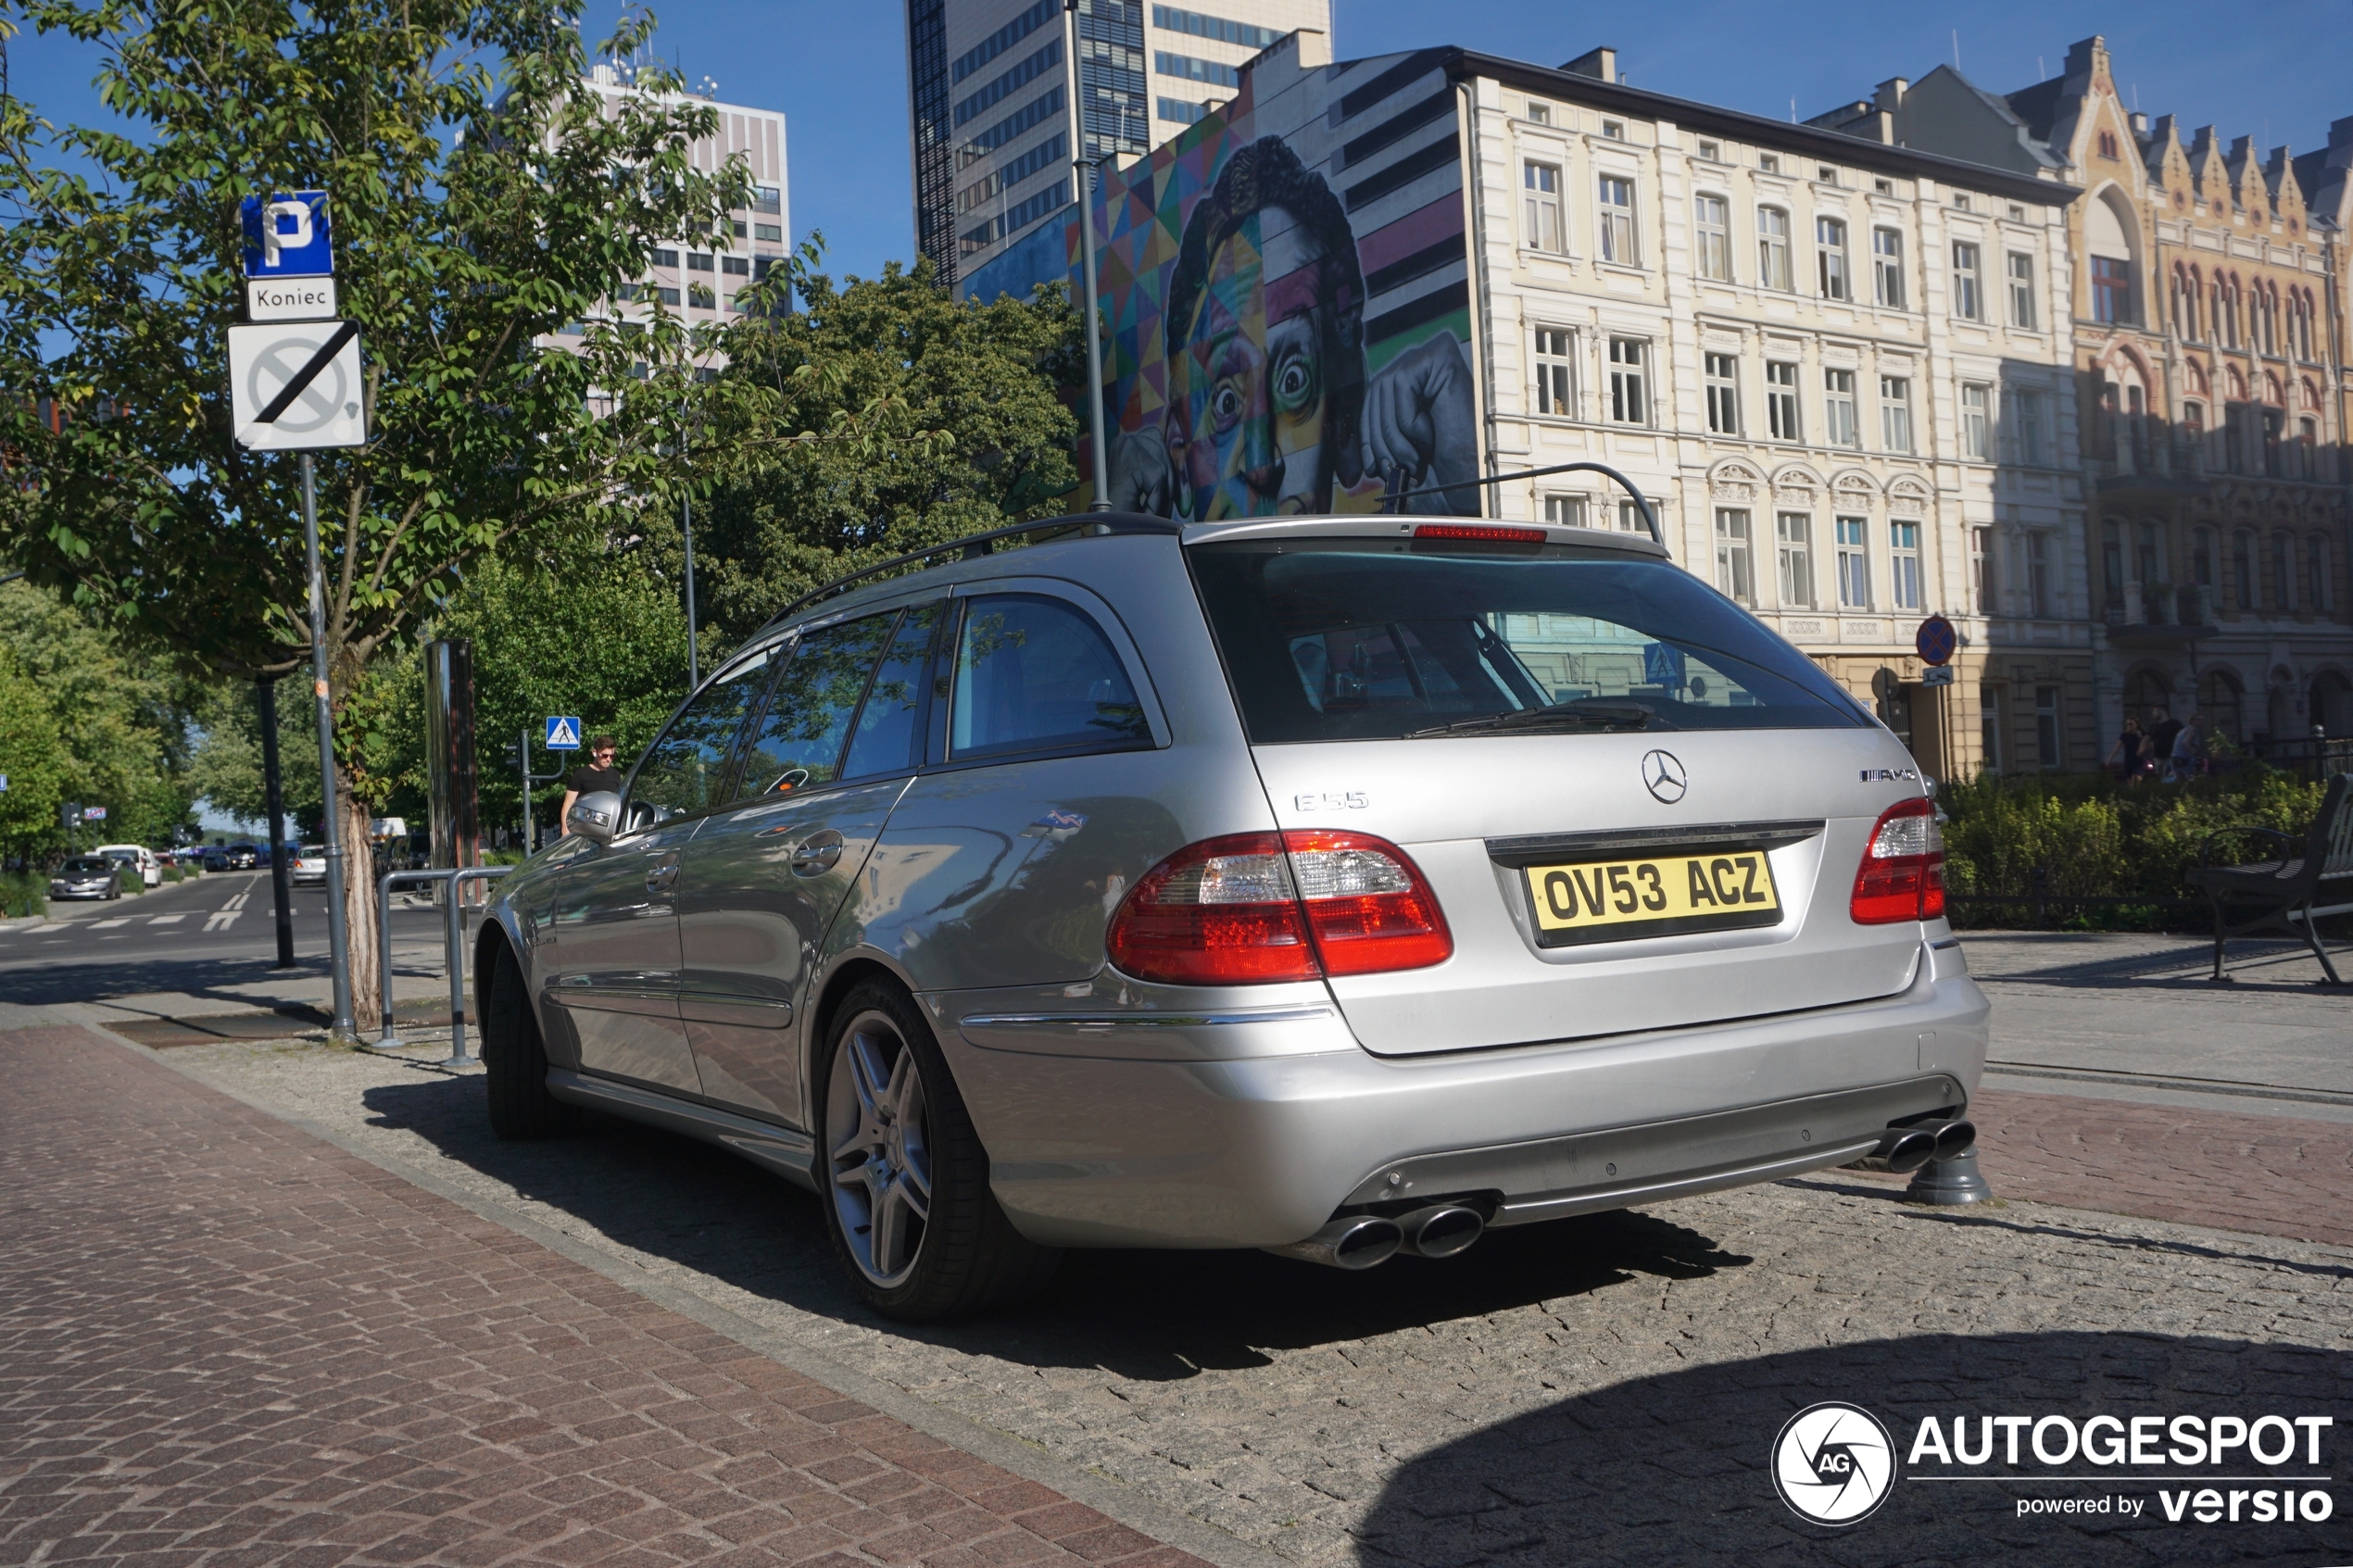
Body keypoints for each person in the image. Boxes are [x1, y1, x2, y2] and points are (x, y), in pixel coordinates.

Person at [560, 735, 623, 835]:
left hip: (609, 831)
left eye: (612, 756)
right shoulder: (580, 775)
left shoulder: (615, 775)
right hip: (584, 829)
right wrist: (565, 828)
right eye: (605, 755)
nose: (608, 759)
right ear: (595, 752)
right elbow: (568, 804)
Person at [2147, 708, 2185, 783]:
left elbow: (2183, 736)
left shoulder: (2175, 724)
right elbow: (2148, 737)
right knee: (2161, 777)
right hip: (2158, 757)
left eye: (2155, 711)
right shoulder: (2154, 726)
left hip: (2171, 756)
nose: (2153, 714)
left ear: (2162, 711)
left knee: (2171, 777)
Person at [2107, 716, 2145, 783]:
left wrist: (2140, 737)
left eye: (2131, 724)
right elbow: (2117, 748)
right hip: (2128, 761)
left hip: (2139, 760)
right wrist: (2109, 760)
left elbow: (2148, 744)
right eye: (2128, 724)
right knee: (2130, 782)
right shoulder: (2125, 735)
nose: (2129, 726)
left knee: (2137, 778)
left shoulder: (2141, 734)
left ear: (2136, 724)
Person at [2172, 711, 2208, 780]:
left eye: (2203, 720)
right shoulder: (2193, 730)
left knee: (2180, 780)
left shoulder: (2184, 730)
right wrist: (2193, 754)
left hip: (2175, 757)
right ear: (2192, 721)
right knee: (2190, 778)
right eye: (2199, 720)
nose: (2201, 722)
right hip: (2184, 758)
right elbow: (2185, 743)